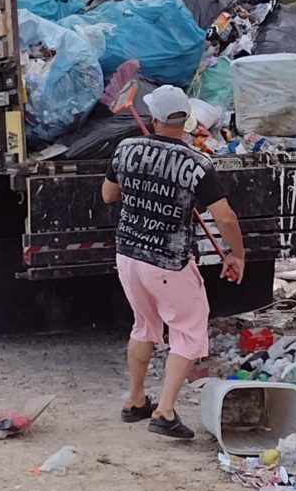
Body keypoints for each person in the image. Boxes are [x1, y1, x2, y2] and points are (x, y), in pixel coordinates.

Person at [102, 84, 245, 439]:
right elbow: (226, 218)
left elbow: (108, 195)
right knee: (188, 332)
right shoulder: (196, 163)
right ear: (186, 121)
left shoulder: (126, 149)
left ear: (154, 119)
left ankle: (135, 401)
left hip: (129, 256)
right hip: (168, 262)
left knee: (143, 326)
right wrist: (237, 254)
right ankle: (164, 412)